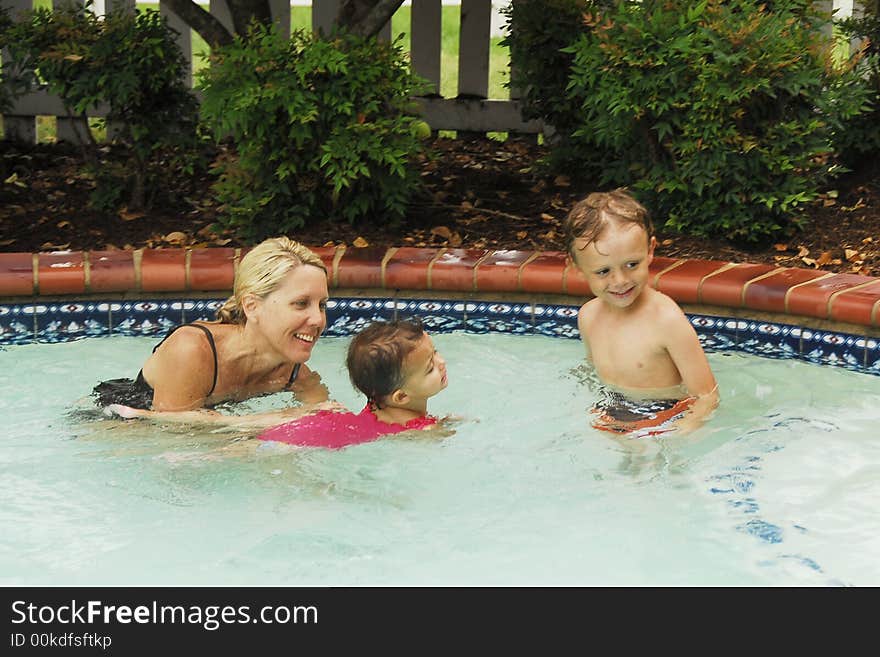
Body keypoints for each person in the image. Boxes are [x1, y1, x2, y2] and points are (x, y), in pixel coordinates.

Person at [93, 236, 331, 418]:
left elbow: (329, 421)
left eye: (321, 305)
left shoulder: (295, 375)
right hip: (114, 423)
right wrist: (265, 422)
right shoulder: (191, 349)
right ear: (252, 306)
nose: (318, 319)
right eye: (301, 304)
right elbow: (167, 436)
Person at [561, 189, 719, 436]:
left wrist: (679, 431)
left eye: (631, 264)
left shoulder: (666, 320)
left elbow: (706, 396)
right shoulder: (588, 316)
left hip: (664, 417)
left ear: (650, 250)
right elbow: (593, 370)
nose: (620, 280)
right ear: (577, 267)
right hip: (611, 411)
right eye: (603, 271)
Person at [257, 318, 449, 449]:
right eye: (430, 368)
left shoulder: (377, 403)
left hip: (309, 431)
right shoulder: (425, 430)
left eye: (436, 352)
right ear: (401, 396)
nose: (442, 363)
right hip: (297, 444)